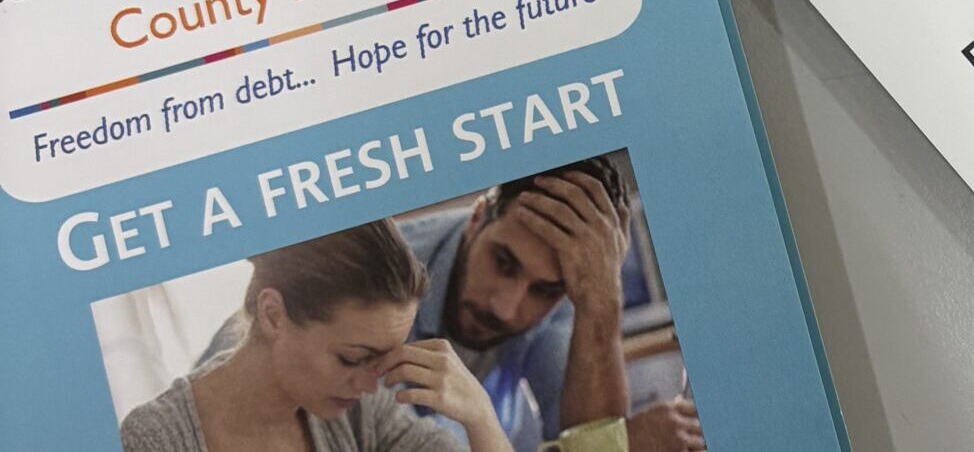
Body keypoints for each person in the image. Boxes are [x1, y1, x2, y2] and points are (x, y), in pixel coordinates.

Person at [121, 219, 512, 452]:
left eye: (380, 361)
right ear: (273, 314)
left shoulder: (362, 412)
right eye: (351, 358)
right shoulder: (154, 439)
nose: (368, 383)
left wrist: (480, 416)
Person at [401, 156, 703, 452]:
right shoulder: (385, 282)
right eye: (503, 263)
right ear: (477, 216)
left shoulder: (568, 285)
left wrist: (601, 300)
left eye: (544, 291)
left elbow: (590, 443)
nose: (505, 308)